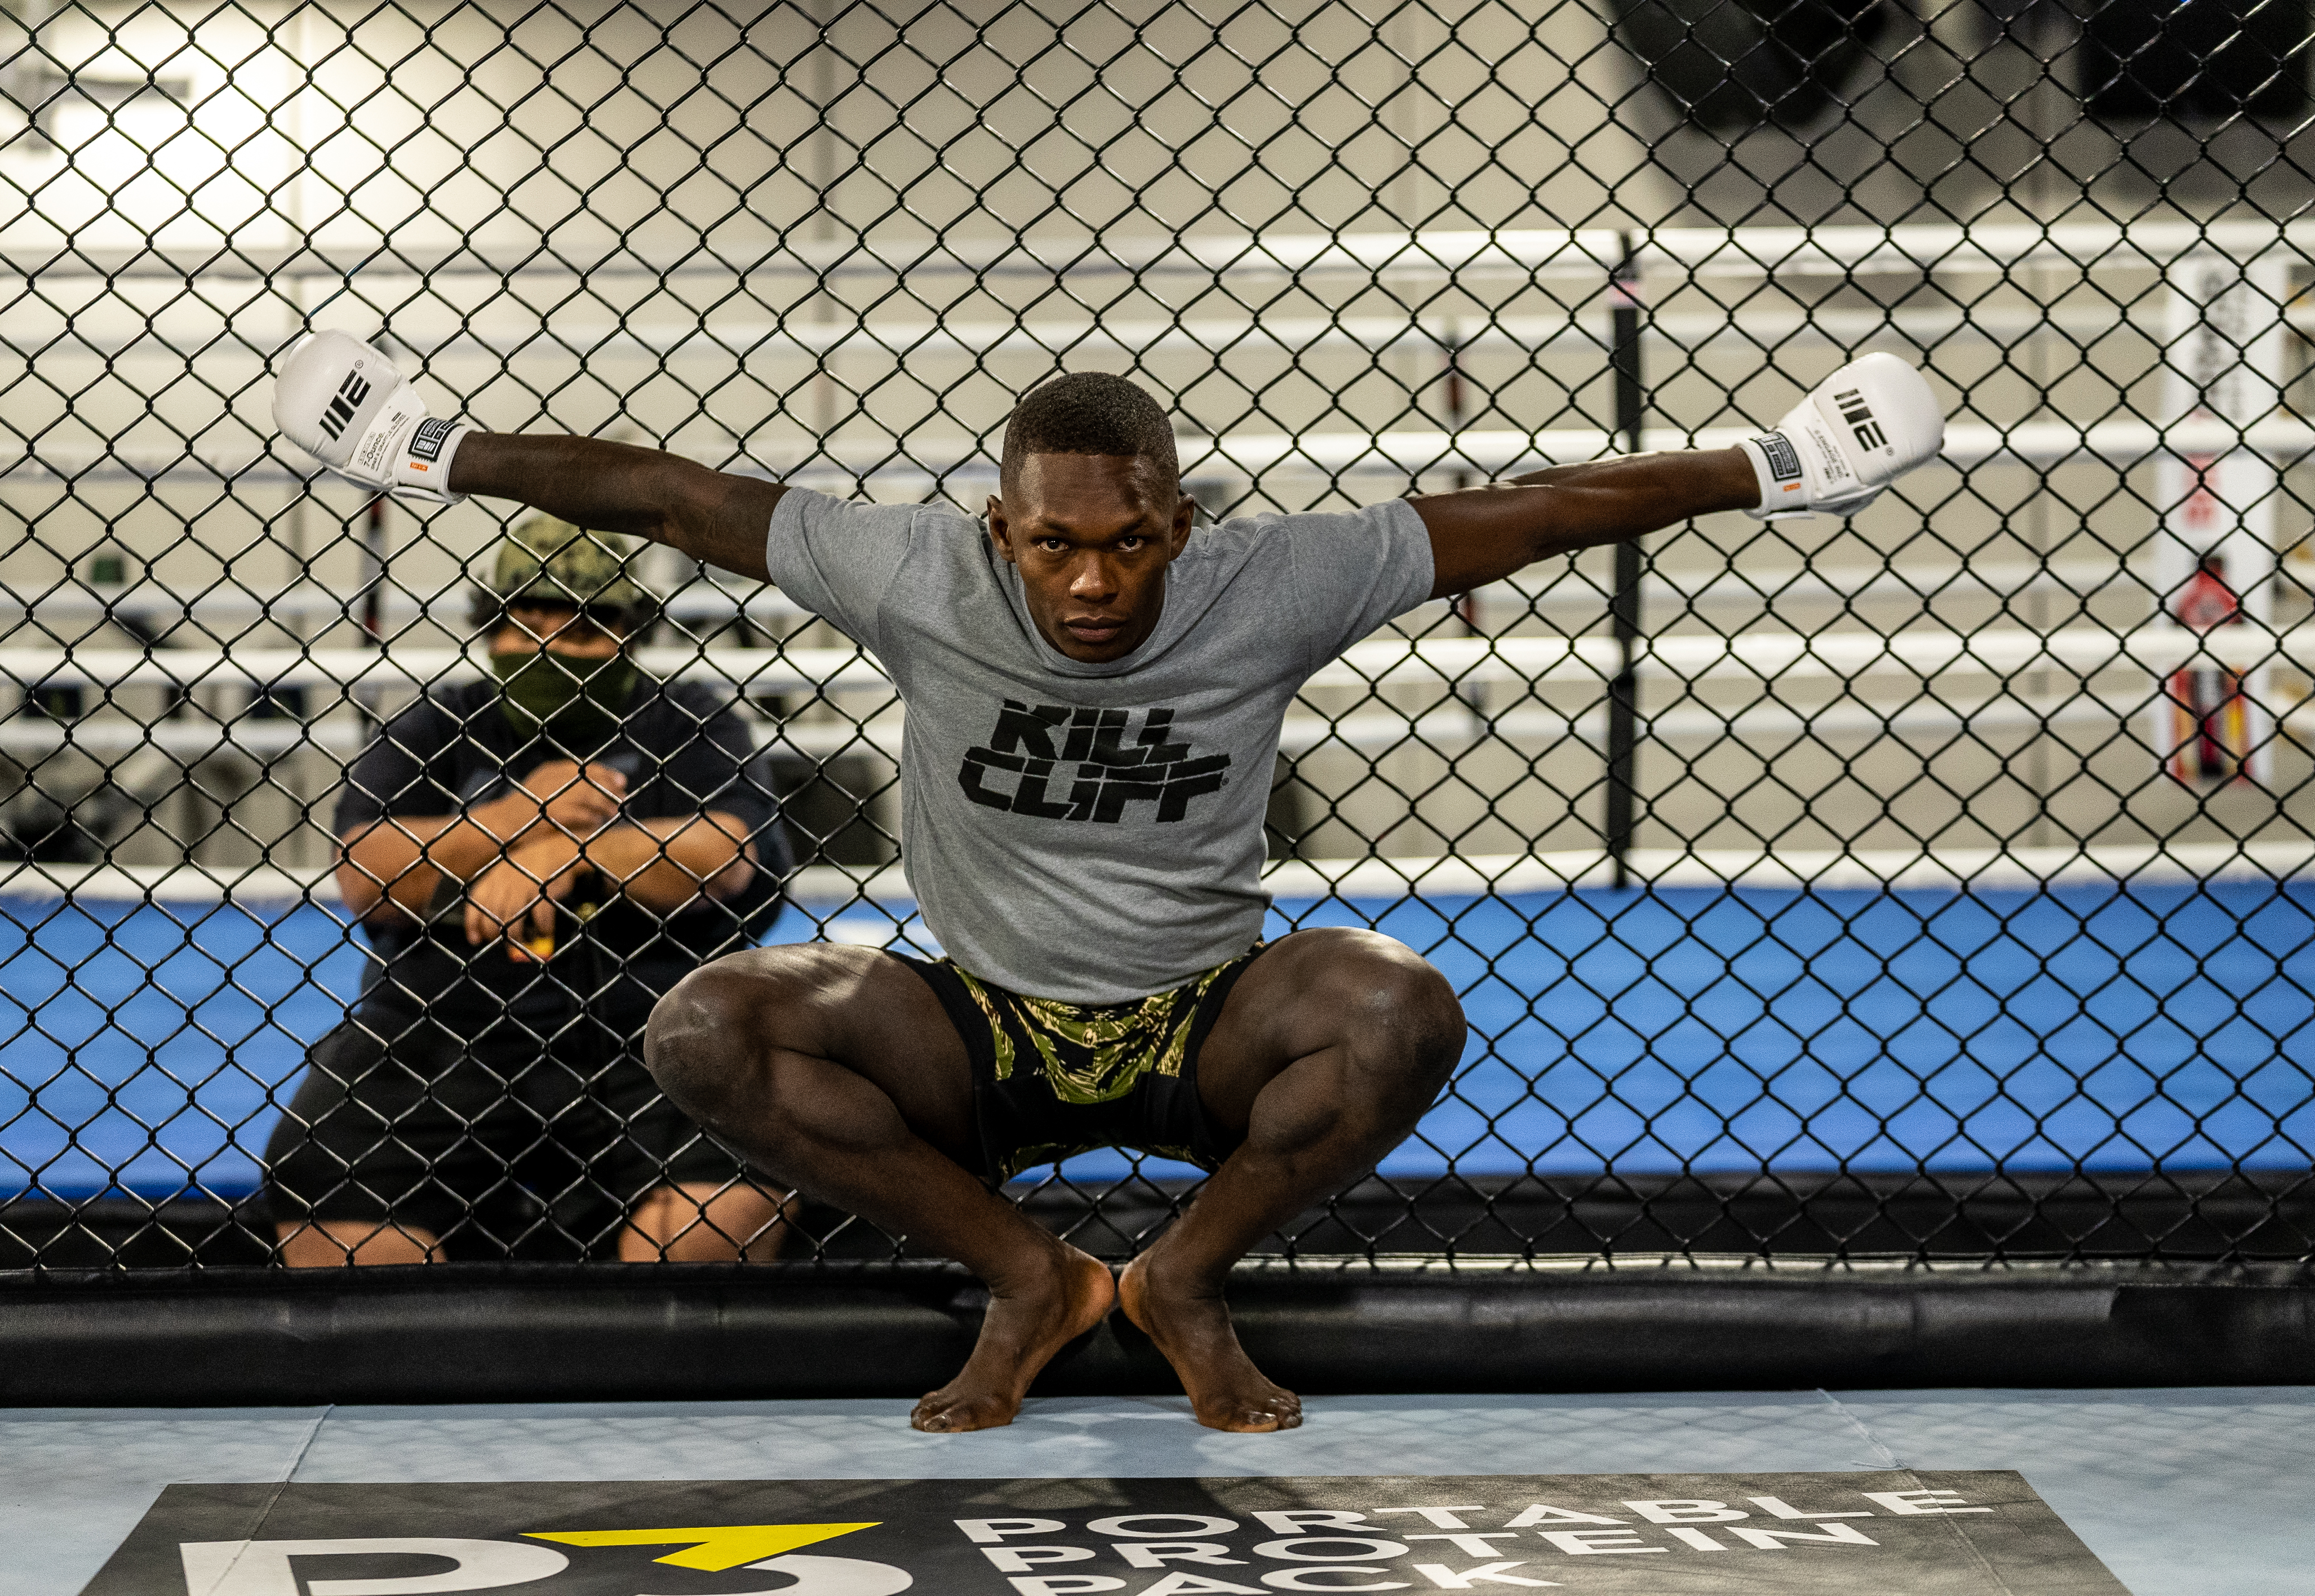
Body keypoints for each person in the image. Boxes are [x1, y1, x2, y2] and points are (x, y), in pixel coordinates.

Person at [273, 333, 1943, 1424]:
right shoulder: (910, 568)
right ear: (996, 528)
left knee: (1398, 1006)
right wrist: (429, 446)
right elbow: (665, 495)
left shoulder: (1277, 579)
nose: (1090, 584)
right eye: (1053, 545)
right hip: (976, 1024)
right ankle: (1035, 1277)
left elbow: (1542, 511)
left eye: (1129, 543)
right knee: (709, 1027)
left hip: (1202, 1018)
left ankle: (1182, 1278)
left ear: (1182, 522)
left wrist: (1780, 465)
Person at [264, 513, 796, 1266]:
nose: (552, 648)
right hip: (443, 1028)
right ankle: (437, 1338)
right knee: (330, 1200)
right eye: (527, 624)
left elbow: (723, 855)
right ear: (491, 628)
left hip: (654, 1025)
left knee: (718, 1214)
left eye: (584, 628)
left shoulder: (685, 720)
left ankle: (648, 1332)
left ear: (629, 633)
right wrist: (521, 816)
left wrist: (567, 852)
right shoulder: (440, 725)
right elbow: (370, 875)